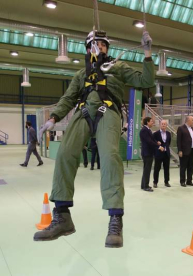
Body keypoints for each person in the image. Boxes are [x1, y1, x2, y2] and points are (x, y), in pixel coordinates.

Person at [34, 30, 155, 248]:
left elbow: (145, 80)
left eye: (102, 44)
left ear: (107, 48)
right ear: (87, 49)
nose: (98, 47)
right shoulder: (81, 74)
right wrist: (53, 118)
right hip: (82, 112)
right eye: (93, 44)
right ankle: (62, 216)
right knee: (65, 153)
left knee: (109, 156)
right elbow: (69, 98)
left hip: (108, 110)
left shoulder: (118, 67)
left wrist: (147, 53)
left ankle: (115, 218)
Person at [140, 117, 164, 192]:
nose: (152, 123)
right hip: (147, 153)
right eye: (151, 121)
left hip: (148, 152)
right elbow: (149, 141)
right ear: (147, 122)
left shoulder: (147, 130)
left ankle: (143, 184)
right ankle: (145, 186)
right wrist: (159, 146)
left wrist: (156, 142)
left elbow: (151, 139)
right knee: (147, 169)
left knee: (146, 169)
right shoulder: (144, 130)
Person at [177, 116, 193, 187]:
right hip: (184, 151)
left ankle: (189, 181)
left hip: (192, 150)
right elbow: (179, 140)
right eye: (192, 120)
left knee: (191, 167)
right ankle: (182, 181)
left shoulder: (192, 128)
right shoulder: (181, 128)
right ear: (188, 120)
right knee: (183, 167)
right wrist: (180, 150)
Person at [153, 120, 171, 188]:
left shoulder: (168, 133)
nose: (163, 125)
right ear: (160, 125)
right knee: (157, 168)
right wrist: (158, 147)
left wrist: (166, 148)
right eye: (162, 124)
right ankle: (155, 182)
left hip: (166, 153)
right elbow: (153, 143)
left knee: (166, 168)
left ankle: (166, 182)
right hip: (159, 153)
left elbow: (168, 142)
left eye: (165, 124)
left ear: (166, 125)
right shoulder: (156, 133)